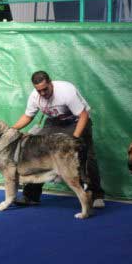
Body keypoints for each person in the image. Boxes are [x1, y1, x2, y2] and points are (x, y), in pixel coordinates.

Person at [11, 71, 106, 208]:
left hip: (77, 121)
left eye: (45, 89)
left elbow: (83, 115)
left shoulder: (66, 91)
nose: (43, 93)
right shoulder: (34, 96)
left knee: (86, 154)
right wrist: (11, 130)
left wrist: (74, 140)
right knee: (36, 150)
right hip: (55, 122)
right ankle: (31, 196)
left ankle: (96, 195)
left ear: (50, 83)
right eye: (39, 91)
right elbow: (27, 116)